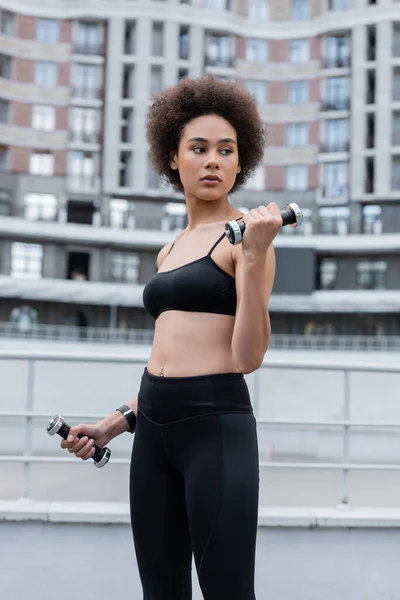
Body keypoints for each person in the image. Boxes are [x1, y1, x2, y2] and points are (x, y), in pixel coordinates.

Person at [61, 75, 283, 600]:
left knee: (227, 591)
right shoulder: (170, 249)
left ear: (240, 162)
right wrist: (117, 423)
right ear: (172, 159)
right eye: (198, 148)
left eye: (226, 151)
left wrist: (253, 256)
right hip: (154, 429)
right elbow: (169, 353)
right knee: (160, 591)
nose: (213, 161)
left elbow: (247, 357)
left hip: (216, 429)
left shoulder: (246, 240)